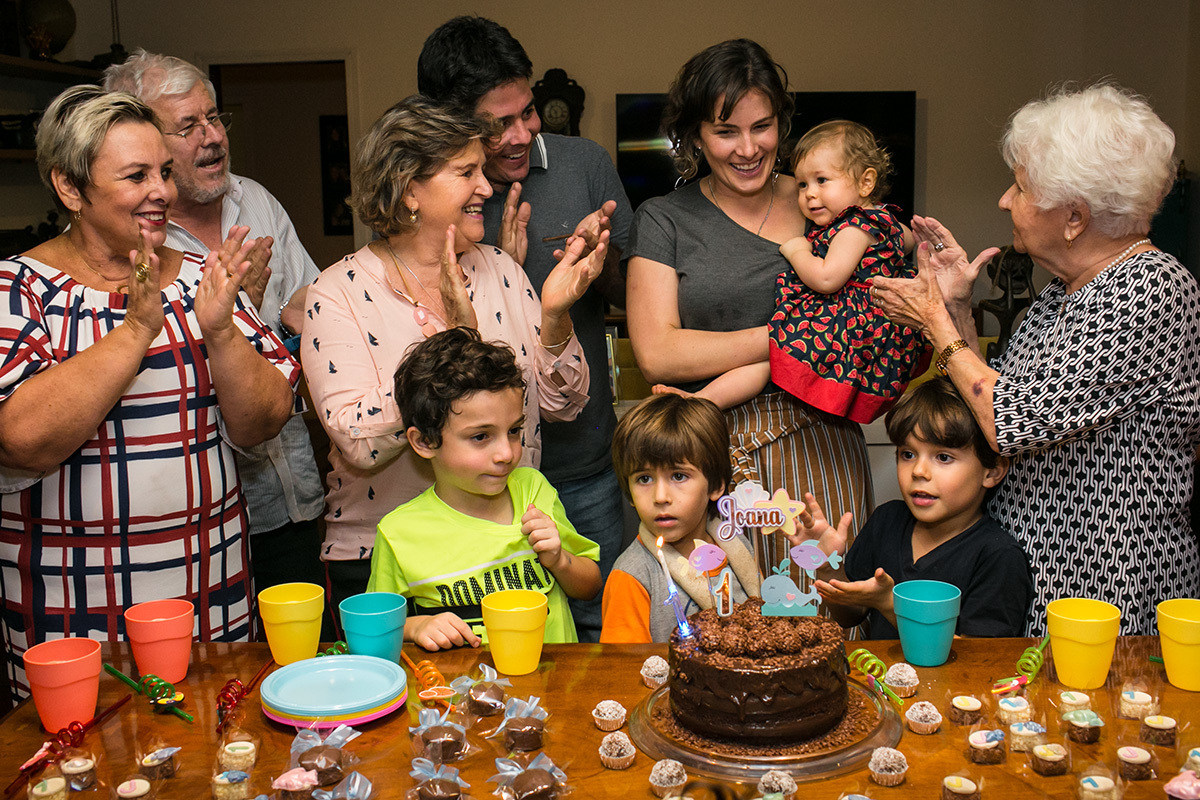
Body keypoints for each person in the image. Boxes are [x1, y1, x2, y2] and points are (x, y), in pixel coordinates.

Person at [871, 83, 1200, 636]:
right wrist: (956, 310)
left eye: (1021, 187)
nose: (1005, 200)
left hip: (1101, 579)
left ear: (1074, 217)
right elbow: (994, 398)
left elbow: (1011, 421)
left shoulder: (1150, 288)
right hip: (1029, 568)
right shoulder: (1062, 293)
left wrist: (933, 322)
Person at [0, 86, 296, 694]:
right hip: (72, 608)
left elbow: (266, 420)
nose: (162, 191)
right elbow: (22, 440)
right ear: (70, 188)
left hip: (207, 592)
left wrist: (220, 330)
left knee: (215, 738)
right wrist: (136, 328)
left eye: (163, 171)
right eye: (136, 176)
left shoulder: (202, 279)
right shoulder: (19, 287)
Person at [302, 96, 605, 610]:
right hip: (389, 557)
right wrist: (453, 343)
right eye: (467, 172)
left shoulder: (500, 269)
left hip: (508, 548)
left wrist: (555, 318)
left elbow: (563, 406)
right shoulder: (338, 293)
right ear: (409, 188)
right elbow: (358, 442)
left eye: (482, 171)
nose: (486, 187)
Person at [417, 16, 633, 642]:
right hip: (470, 483)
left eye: (528, 111)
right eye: (498, 124)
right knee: (486, 641)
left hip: (582, 463)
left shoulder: (584, 164)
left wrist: (598, 260)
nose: (521, 134)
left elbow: (630, 296)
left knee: (594, 631)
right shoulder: (431, 192)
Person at [627, 40, 874, 575]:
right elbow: (658, 354)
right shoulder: (665, 220)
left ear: (781, 124)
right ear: (696, 135)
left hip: (820, 443)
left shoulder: (824, 202)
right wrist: (797, 337)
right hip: (710, 457)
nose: (747, 148)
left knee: (823, 601)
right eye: (725, 131)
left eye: (761, 126)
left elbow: (888, 260)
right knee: (725, 611)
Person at [103, 51, 327, 609]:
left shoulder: (255, 200)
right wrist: (237, 315)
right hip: (195, 520)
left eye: (214, 118)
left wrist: (274, 322)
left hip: (292, 496)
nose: (214, 137)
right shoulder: (127, 240)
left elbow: (311, 309)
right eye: (188, 126)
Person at [670, 121, 927, 424]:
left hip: (851, 327)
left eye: (822, 180)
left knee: (775, 356)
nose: (809, 194)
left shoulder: (855, 228)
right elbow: (906, 239)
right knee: (772, 360)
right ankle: (704, 400)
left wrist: (797, 250)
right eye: (803, 184)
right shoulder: (878, 220)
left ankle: (703, 400)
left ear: (865, 182)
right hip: (862, 325)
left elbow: (826, 279)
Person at [368, 328, 601, 650]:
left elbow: (589, 586)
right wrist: (416, 626)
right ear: (424, 442)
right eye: (480, 437)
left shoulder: (533, 491)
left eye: (514, 431)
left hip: (555, 678)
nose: (506, 453)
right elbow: (374, 626)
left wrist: (559, 560)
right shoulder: (398, 533)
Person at [794, 378, 1031, 638]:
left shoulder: (998, 556)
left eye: (943, 457)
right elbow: (850, 615)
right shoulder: (886, 521)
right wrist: (827, 566)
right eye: (908, 454)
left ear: (992, 472)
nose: (918, 471)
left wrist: (889, 605)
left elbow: (976, 657)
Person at [600, 394, 760, 643]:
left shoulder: (738, 546)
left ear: (716, 485)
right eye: (644, 479)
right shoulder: (631, 577)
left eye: (678, 476)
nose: (660, 497)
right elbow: (624, 664)